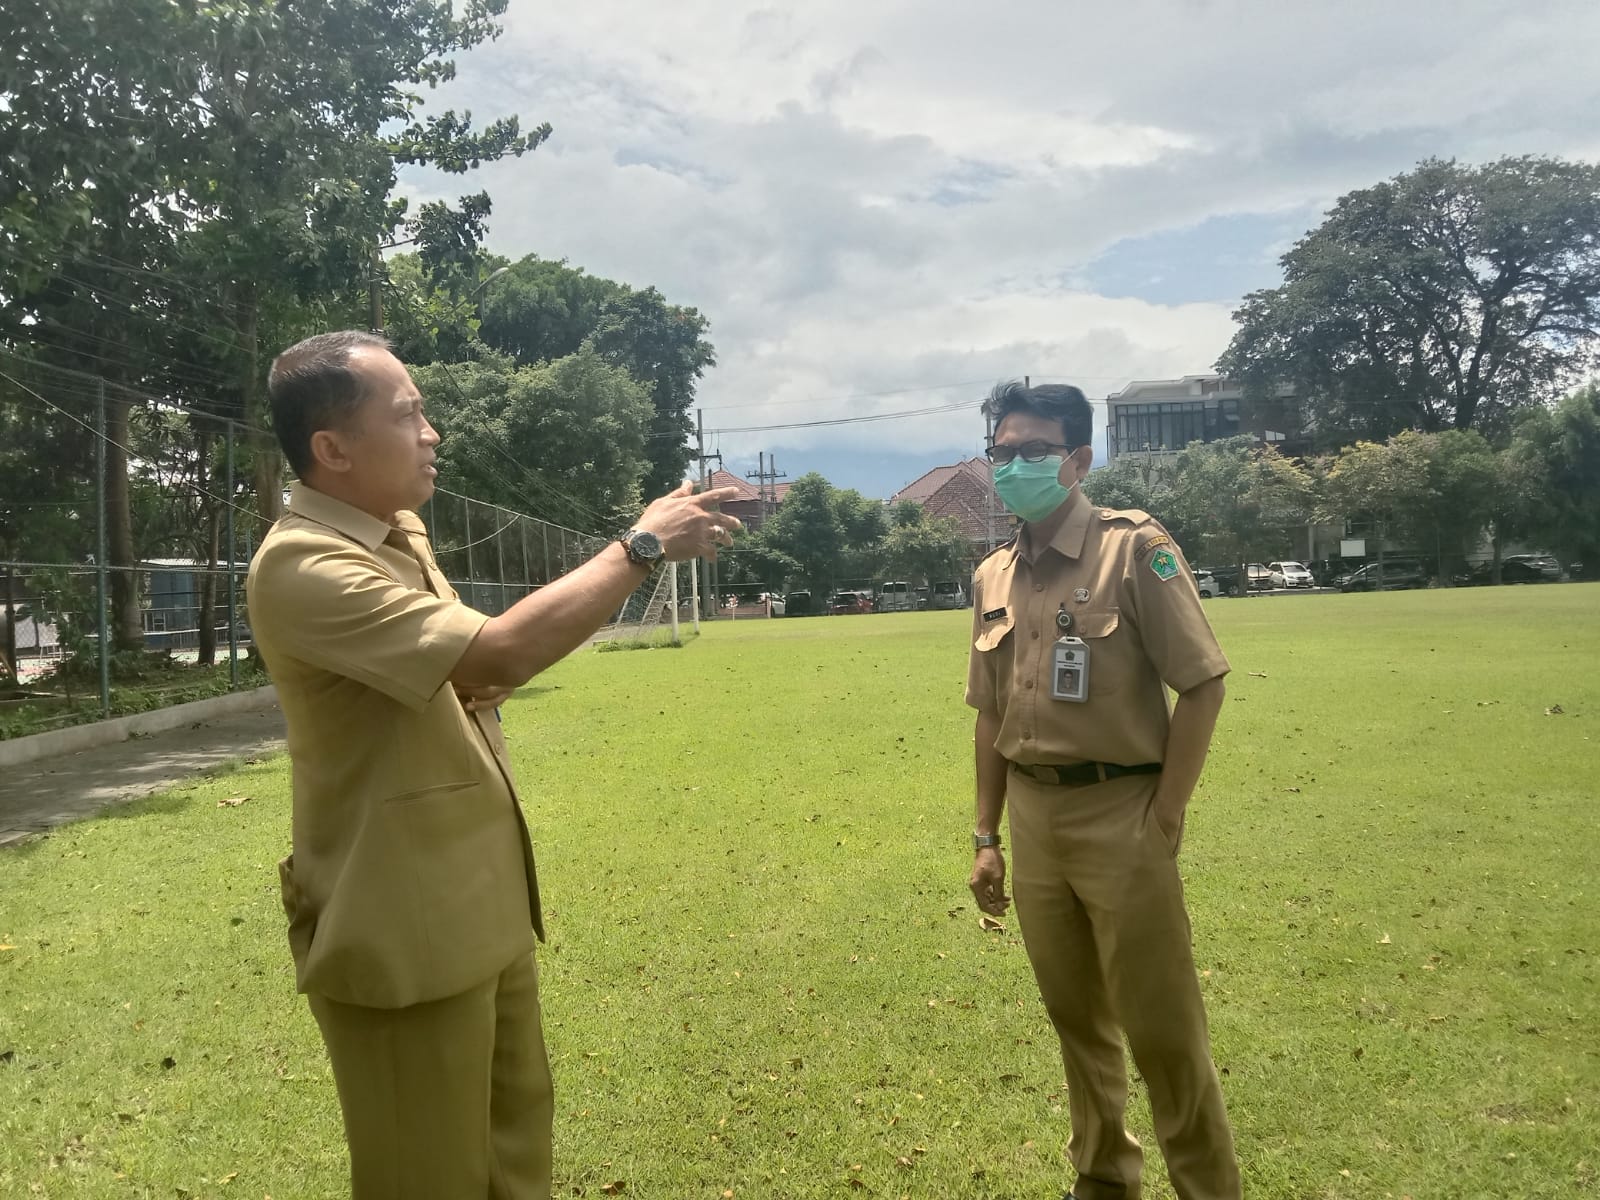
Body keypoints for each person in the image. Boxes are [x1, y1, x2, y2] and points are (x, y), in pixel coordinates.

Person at [246, 330, 740, 1199]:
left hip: (482, 906)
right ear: (332, 449)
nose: (433, 431)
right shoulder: (303, 563)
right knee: (426, 1176)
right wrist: (641, 546)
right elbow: (495, 657)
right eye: (409, 414)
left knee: (515, 1160)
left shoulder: (396, 532)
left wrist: (465, 677)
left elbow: (456, 672)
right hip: (401, 928)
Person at [963, 381, 1240, 1200]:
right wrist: (986, 835)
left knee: (1162, 1030)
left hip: (1123, 810)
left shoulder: (1135, 548)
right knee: (1075, 1017)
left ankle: (1205, 1187)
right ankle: (1104, 1174)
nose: (1016, 465)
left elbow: (1202, 684)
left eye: (1034, 451)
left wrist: (1165, 811)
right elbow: (988, 716)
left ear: (1078, 460)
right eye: (1003, 452)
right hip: (1033, 817)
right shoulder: (991, 575)